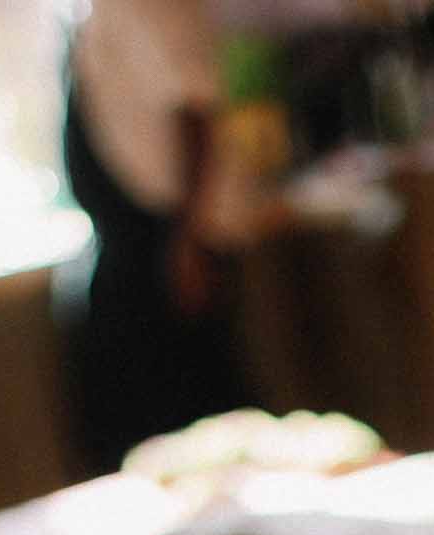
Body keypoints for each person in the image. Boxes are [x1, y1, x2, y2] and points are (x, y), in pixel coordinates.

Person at [63, 0, 302, 474]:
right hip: (133, 234)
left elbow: (196, 108)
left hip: (170, 237)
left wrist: (187, 241)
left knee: (199, 414)